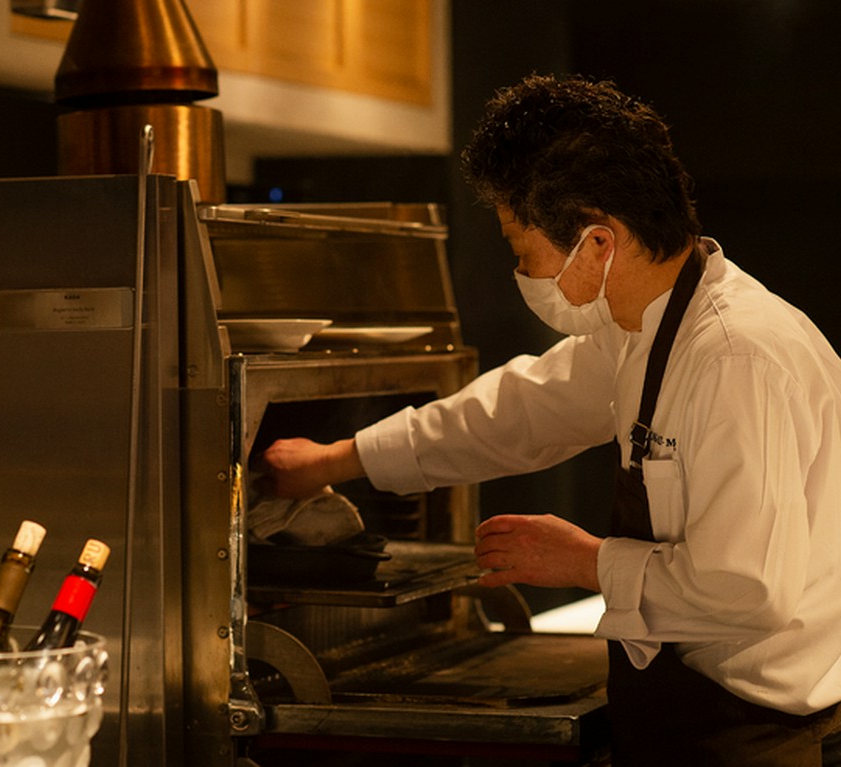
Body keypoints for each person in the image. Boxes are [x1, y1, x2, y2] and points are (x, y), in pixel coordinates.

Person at [256, 74, 841, 765]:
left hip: (759, 733)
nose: (523, 272)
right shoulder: (642, 329)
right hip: (686, 710)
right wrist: (334, 460)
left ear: (597, 242)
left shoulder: (736, 356)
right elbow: (518, 412)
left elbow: (746, 589)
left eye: (521, 249)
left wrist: (582, 560)